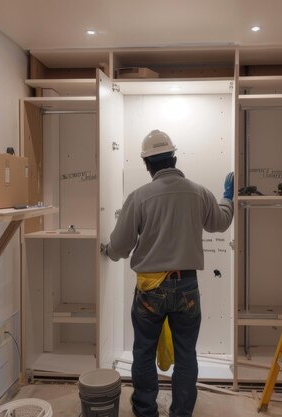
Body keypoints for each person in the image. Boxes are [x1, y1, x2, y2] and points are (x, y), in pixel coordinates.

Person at [101, 129, 234, 417]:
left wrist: (107, 251)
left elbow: (121, 246)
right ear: (174, 158)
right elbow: (220, 223)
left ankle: (146, 411)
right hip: (186, 286)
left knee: (144, 352)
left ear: (147, 164)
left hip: (150, 290)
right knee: (186, 353)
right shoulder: (199, 192)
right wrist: (227, 198)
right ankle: (181, 413)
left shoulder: (139, 197)